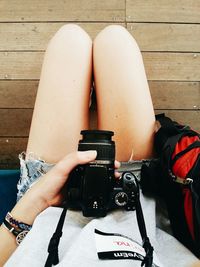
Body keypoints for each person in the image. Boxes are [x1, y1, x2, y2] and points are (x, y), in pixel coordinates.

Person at [0, 24, 197, 267]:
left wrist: (37, 199)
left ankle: (91, 105)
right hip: (136, 196)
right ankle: (94, 106)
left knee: (70, 41)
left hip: (48, 203)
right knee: (115, 42)